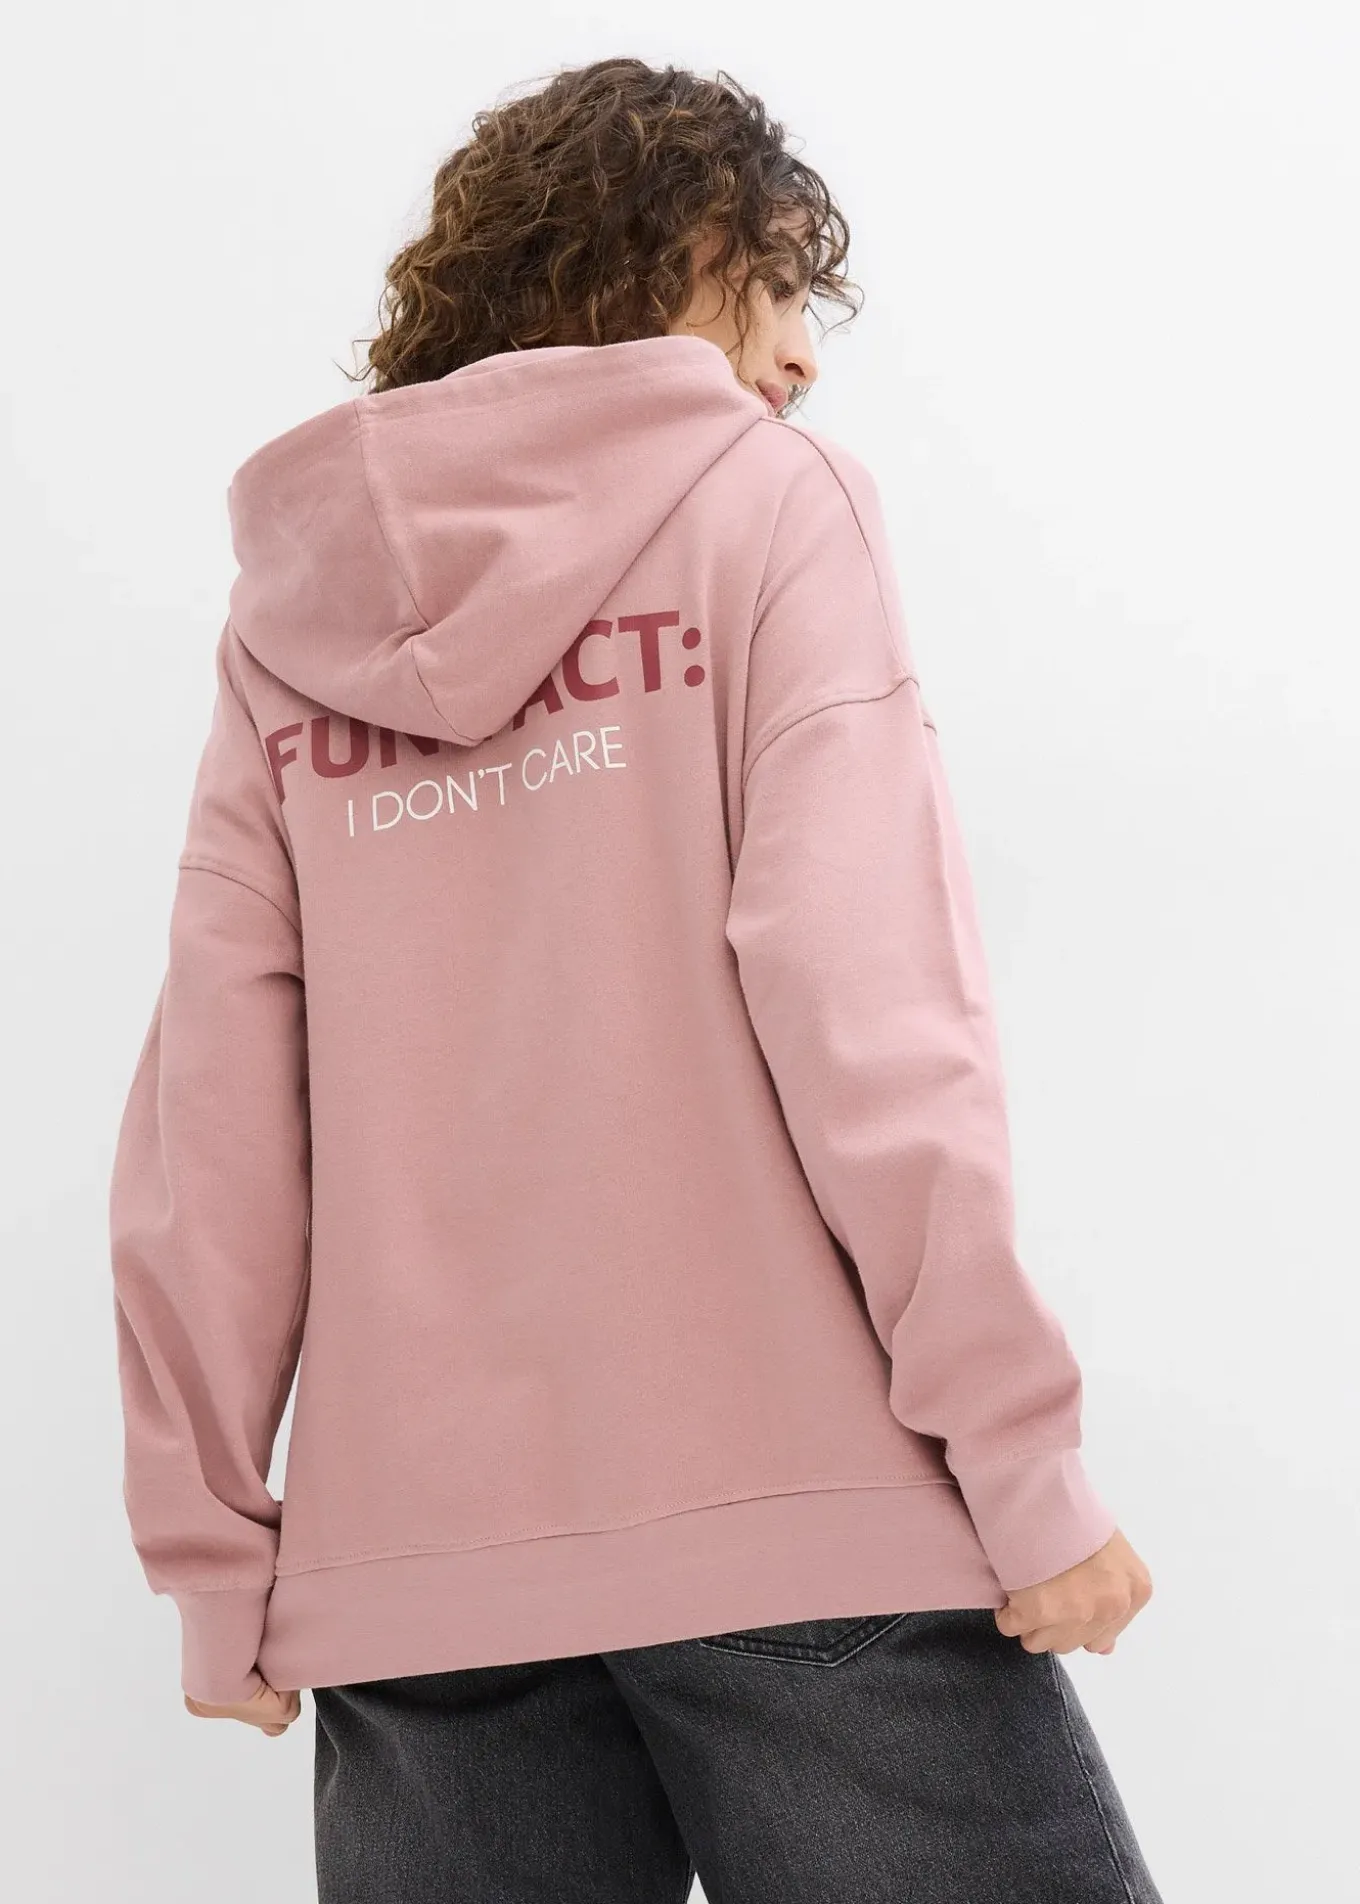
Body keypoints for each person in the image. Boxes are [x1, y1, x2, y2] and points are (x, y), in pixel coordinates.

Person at [108, 55, 1162, 1904]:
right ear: (666, 258)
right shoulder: (772, 507)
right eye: (777, 286)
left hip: (420, 1587)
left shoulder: (289, 624)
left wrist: (212, 1547)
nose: (803, 356)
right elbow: (869, 1009)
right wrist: (1023, 1461)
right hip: (802, 1526)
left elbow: (214, 1111)